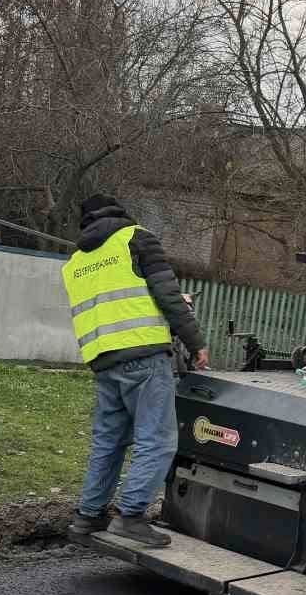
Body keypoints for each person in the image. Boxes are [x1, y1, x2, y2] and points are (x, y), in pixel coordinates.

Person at [62, 194, 208, 548]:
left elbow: (115, 304)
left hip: (103, 360)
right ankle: (130, 516)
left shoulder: (75, 261)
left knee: (108, 442)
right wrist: (195, 342)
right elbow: (167, 295)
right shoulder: (136, 238)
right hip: (143, 356)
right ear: (121, 213)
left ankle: (88, 516)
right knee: (156, 440)